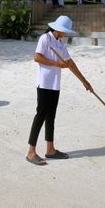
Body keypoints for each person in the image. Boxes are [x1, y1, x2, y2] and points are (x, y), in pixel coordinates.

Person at [25, 15, 92, 166]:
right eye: (65, 30)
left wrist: (84, 82)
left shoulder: (60, 45)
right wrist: (56, 63)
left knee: (51, 117)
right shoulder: (45, 39)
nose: (67, 33)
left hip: (55, 85)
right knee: (40, 115)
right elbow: (36, 57)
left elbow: (70, 63)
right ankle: (31, 152)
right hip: (44, 84)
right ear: (58, 29)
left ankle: (50, 150)